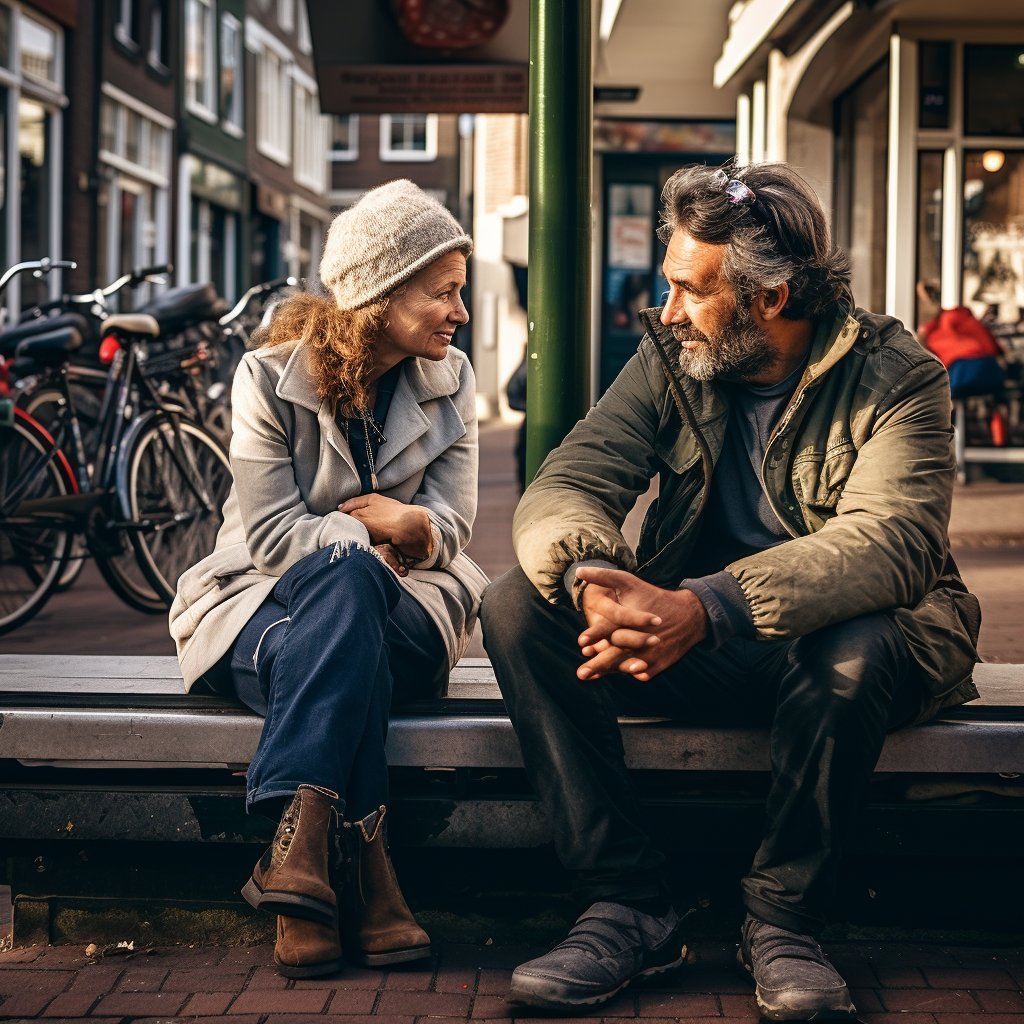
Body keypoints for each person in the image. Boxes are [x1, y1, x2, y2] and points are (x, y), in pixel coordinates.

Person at [481, 163, 981, 1020]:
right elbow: (571, 478)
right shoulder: (673, 356)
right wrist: (590, 577)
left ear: (773, 296)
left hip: (832, 653)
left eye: (690, 289)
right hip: (699, 644)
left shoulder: (899, 377)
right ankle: (626, 904)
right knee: (517, 603)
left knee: (855, 644)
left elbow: (891, 545)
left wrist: (706, 605)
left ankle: (783, 920)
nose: (669, 311)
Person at [170, 180, 488, 979]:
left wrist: (408, 529)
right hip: (257, 608)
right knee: (347, 591)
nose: (461, 313)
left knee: (348, 596)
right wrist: (368, 534)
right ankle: (368, 869)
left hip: (409, 613)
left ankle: (298, 845)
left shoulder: (453, 383)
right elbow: (275, 538)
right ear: (382, 292)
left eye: (461, 293)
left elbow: (448, 527)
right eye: (443, 292)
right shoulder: (265, 379)